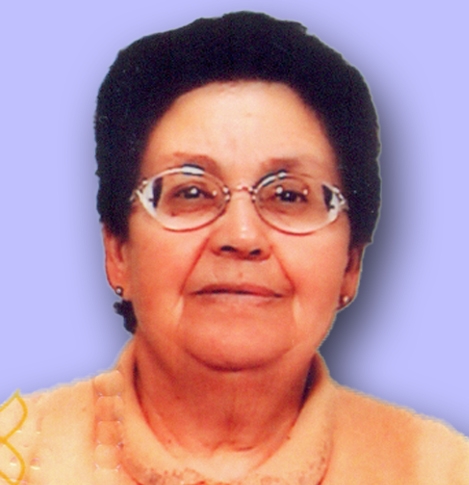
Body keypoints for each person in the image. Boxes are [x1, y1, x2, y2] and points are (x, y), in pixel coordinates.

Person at [1, 11, 468, 485]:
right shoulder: (13, 456)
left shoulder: (441, 469)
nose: (241, 237)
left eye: (289, 196)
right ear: (118, 251)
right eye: (191, 192)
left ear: (351, 262)